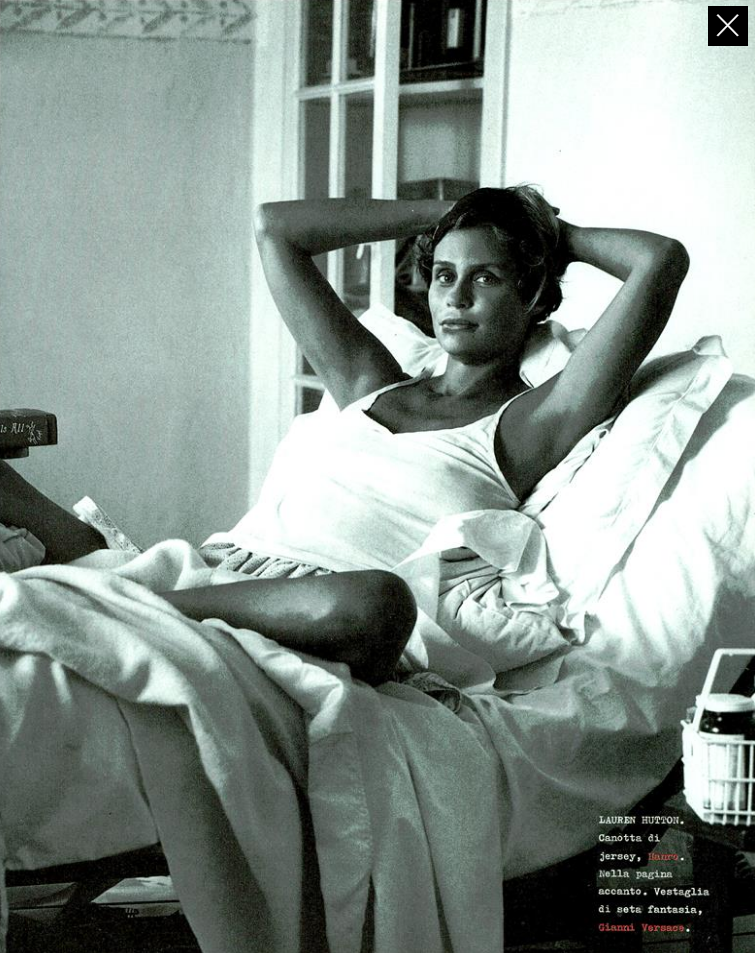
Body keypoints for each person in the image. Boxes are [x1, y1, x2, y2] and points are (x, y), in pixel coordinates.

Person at [0, 186, 689, 683]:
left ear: (533, 296)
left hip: (326, 613)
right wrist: (450, 211)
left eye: (485, 277)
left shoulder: (529, 422)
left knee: (381, 602)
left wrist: (542, 229)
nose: (454, 297)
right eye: (443, 274)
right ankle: (127, 594)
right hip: (216, 574)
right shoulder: (370, 382)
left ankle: (113, 599)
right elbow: (276, 228)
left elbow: (659, 261)